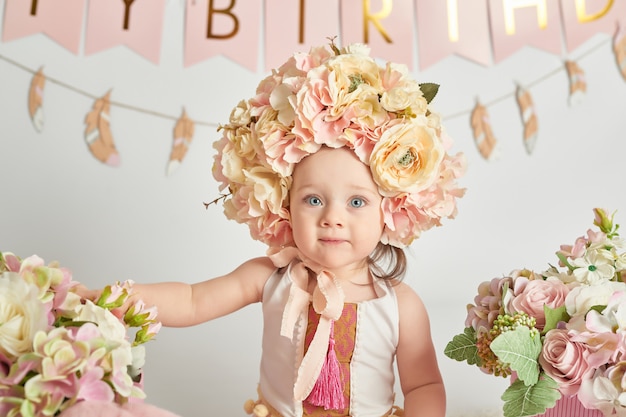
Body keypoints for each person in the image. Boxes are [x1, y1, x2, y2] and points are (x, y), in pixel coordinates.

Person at [82, 40, 466, 417]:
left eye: (356, 202)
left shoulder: (400, 305)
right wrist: (110, 298)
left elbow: (423, 386)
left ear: (392, 209)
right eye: (313, 200)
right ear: (284, 207)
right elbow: (191, 300)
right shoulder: (270, 277)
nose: (333, 217)